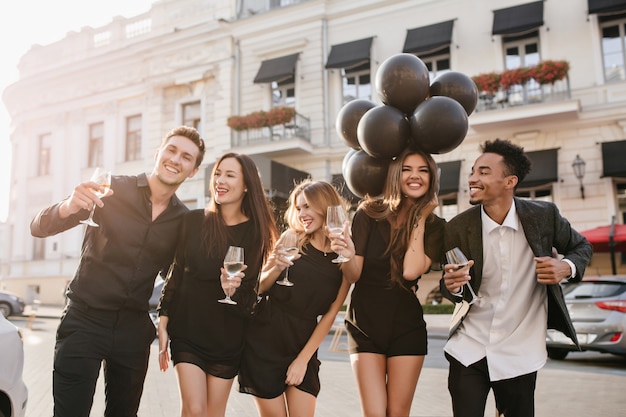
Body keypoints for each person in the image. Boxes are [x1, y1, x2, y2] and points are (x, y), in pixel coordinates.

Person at [30, 125, 206, 417]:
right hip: (84, 321)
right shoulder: (110, 187)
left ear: (194, 171)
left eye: (187, 157)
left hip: (133, 332)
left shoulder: (183, 220)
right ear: (158, 153)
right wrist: (69, 206)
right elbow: (38, 227)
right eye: (171, 150)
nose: (176, 159)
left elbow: (175, 277)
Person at [440, 138, 593, 417]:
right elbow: (451, 285)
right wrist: (451, 286)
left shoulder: (543, 216)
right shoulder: (458, 227)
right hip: (469, 347)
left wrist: (565, 268)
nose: (473, 178)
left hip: (519, 350)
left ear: (510, 181)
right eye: (473, 171)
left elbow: (582, 247)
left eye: (483, 172)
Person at [157, 152, 278, 417]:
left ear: (246, 185)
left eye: (229, 175)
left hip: (227, 337)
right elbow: (176, 272)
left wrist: (232, 290)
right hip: (187, 329)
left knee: (213, 413)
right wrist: (163, 316)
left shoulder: (255, 234)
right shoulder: (193, 221)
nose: (220, 181)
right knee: (195, 410)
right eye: (218, 174)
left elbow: (250, 299)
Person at [340, 148, 445, 417]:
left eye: (423, 170)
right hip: (364, 323)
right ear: (396, 176)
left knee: (397, 413)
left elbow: (410, 271)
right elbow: (354, 274)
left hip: (406, 325)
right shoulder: (368, 213)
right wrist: (344, 252)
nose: (415, 176)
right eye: (407, 169)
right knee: (374, 413)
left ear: (432, 178)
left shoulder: (435, 225)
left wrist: (420, 218)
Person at [238, 179, 352, 417]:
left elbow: (331, 314)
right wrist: (276, 268)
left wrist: (303, 360)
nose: (302, 214)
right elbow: (258, 288)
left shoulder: (342, 254)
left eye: (308, 206)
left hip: (303, 342)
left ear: (325, 207)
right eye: (298, 208)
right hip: (264, 339)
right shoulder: (291, 238)